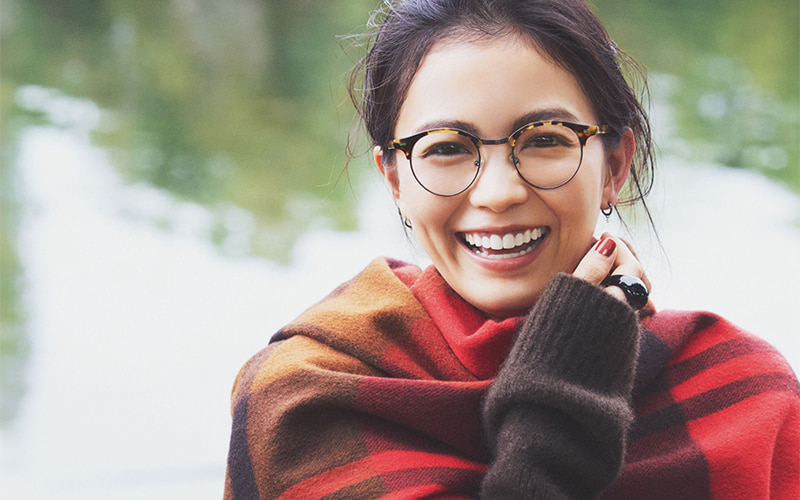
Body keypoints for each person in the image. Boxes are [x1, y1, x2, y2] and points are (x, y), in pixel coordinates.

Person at [224, 0, 799, 498]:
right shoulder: (307, 398)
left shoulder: (742, 394)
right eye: (446, 148)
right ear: (395, 180)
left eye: (546, 139)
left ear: (615, 165)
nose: (498, 194)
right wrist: (566, 397)